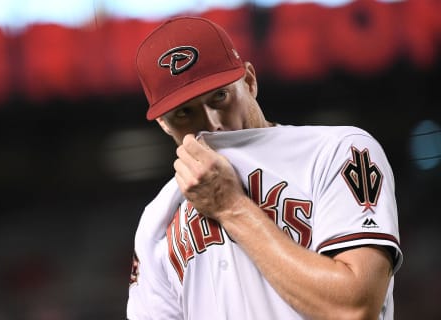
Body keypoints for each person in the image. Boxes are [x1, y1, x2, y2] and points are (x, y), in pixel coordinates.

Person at [127, 16, 403, 320]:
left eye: (220, 96)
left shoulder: (338, 150)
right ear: (164, 125)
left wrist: (232, 208)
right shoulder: (157, 219)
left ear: (249, 81)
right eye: (184, 113)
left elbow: (355, 307)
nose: (213, 123)